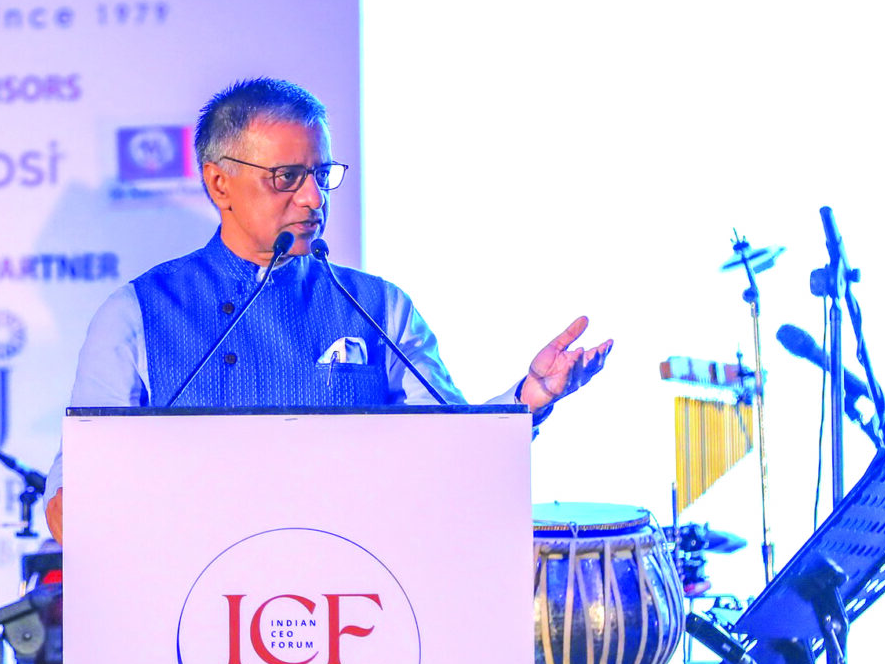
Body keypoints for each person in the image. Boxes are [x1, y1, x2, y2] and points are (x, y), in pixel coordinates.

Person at [44, 77, 611, 541]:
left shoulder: (378, 307)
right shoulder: (138, 314)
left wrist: (529, 398)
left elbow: (452, 453)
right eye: (287, 178)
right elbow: (71, 507)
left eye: (321, 175)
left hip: (356, 602)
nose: (313, 198)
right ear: (219, 184)